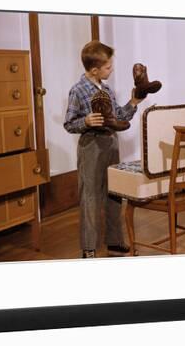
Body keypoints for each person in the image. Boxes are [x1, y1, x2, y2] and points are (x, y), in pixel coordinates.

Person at [64, 40, 144, 258]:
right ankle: (88, 247)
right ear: (94, 69)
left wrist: (134, 102)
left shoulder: (107, 89)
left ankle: (115, 241)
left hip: (111, 144)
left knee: (114, 193)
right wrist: (86, 121)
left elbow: (118, 116)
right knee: (90, 196)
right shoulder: (78, 91)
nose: (112, 69)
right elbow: (69, 123)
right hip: (91, 147)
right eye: (108, 67)